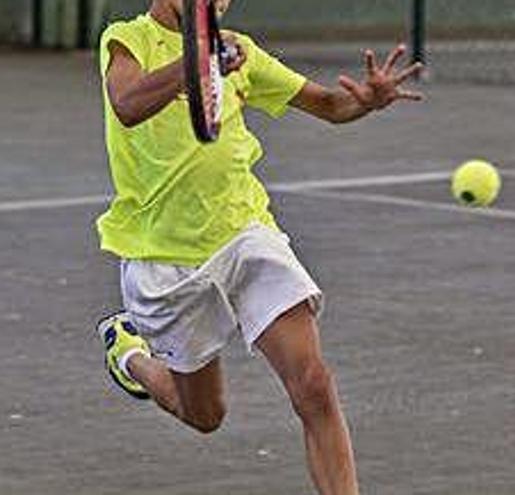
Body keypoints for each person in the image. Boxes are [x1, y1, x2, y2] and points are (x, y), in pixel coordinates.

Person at [95, 1, 423, 493]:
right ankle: (130, 355)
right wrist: (197, 59)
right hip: (163, 257)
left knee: (313, 386)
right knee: (204, 415)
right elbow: (128, 103)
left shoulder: (239, 53)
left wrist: (367, 101)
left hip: (244, 234)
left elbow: (330, 105)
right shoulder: (127, 40)